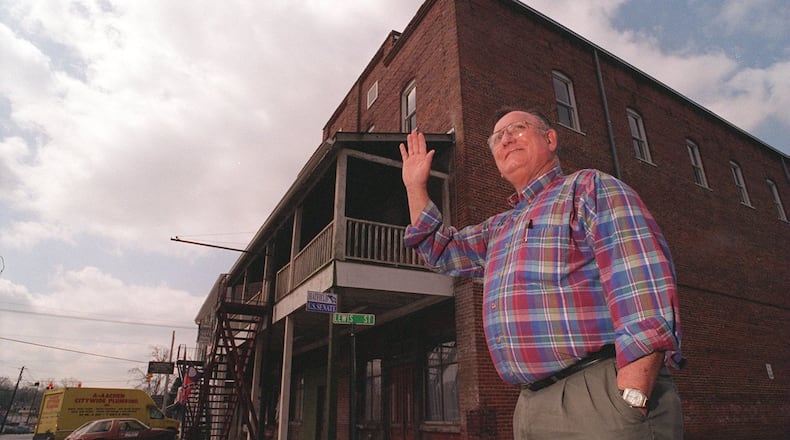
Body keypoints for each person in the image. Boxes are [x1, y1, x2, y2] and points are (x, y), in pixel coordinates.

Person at [399, 107, 685, 439]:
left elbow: (640, 280)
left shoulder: (587, 188)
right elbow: (441, 249)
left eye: (517, 129)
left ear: (549, 139)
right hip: (530, 403)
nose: (505, 139)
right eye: (496, 138)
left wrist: (632, 395)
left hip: (599, 395)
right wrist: (415, 186)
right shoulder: (500, 228)